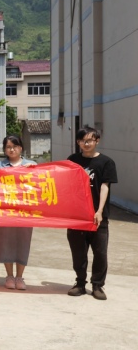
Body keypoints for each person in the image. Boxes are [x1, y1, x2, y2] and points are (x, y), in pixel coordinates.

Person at [66, 126, 118, 301]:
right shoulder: (73, 160)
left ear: (97, 141)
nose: (86, 143)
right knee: (78, 252)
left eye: (89, 140)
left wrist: (99, 211)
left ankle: (97, 285)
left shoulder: (106, 162)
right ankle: (80, 283)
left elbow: (105, 187)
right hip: (76, 216)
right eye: (82, 140)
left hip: (97, 217)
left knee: (100, 253)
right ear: (78, 142)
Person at [0, 135, 37, 291]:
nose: (12, 149)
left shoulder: (31, 165)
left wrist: (32, 172)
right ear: (5, 149)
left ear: (21, 148)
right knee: (5, 242)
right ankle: (9, 276)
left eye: (15, 146)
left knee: (23, 242)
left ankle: (19, 276)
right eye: (8, 147)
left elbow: (38, 186)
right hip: (5, 211)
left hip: (25, 212)